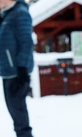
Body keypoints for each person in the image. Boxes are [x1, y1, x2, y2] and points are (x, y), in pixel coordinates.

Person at [0, 0, 34, 136]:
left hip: (17, 72)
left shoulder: (20, 13)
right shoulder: (6, 15)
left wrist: (22, 67)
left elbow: (26, 42)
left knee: (18, 112)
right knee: (14, 111)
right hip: (8, 70)